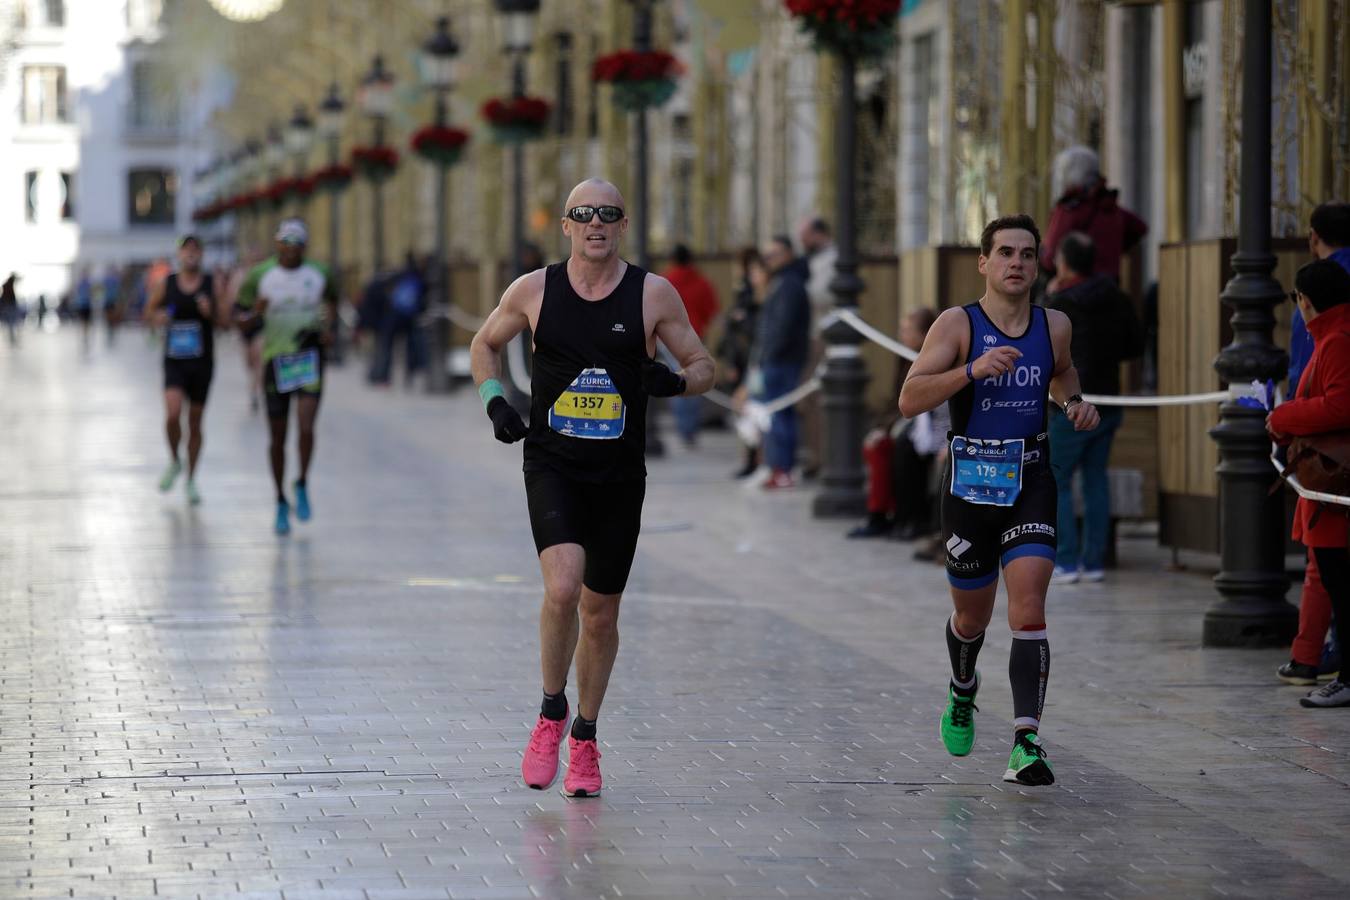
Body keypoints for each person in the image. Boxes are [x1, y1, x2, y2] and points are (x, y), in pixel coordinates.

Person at [469, 178, 714, 798]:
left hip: (619, 476)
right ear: (567, 225)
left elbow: (705, 367)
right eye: (584, 214)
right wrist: (497, 403)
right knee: (563, 587)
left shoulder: (652, 294)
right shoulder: (534, 289)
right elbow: (483, 345)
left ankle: (585, 735)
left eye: (608, 214)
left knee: (601, 615)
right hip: (552, 464)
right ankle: (550, 713)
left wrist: (672, 385)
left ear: (623, 224)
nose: (596, 223)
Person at [900, 214, 1100, 785]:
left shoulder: (1053, 325)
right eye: (1006, 253)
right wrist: (972, 369)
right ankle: (963, 690)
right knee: (971, 616)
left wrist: (1074, 403)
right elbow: (910, 398)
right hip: (970, 484)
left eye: (1028, 255)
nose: (1017, 263)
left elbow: (1063, 374)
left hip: (1031, 477)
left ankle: (1025, 741)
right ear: (984, 263)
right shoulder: (958, 324)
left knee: (1029, 608)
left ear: (1040, 266)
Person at [1267, 258, 1350, 708]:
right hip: (1331, 481)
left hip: (1336, 481)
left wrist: (1282, 417)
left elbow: (1339, 406)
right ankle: (1311, 658)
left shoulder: (1336, 340)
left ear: (1305, 301)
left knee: (1339, 582)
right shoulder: (1334, 335)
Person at [1044, 232, 1144, 583]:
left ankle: (1067, 561)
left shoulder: (1062, 301)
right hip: (1110, 400)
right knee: (1095, 478)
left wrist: (1050, 295)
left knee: (1056, 479)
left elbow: (1047, 348)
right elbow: (1135, 344)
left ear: (1064, 263)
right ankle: (1095, 561)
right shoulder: (1118, 297)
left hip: (1072, 403)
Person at [234, 219, 338, 536]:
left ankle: (302, 482)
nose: (290, 251)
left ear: (304, 248)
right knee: (277, 437)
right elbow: (238, 318)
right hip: (276, 362)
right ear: (277, 245)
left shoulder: (319, 274)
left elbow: (333, 302)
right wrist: (255, 313)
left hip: (308, 360)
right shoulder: (260, 276)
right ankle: (280, 499)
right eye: (285, 244)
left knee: (306, 426)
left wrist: (328, 328)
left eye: (296, 245)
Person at [848, 308, 944, 539]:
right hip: (909, 421)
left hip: (934, 426)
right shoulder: (903, 356)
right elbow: (896, 400)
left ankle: (909, 518)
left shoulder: (936, 356)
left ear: (924, 335)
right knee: (878, 445)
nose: (901, 335)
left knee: (902, 447)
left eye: (907, 330)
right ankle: (881, 514)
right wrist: (884, 427)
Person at [143, 235, 224, 505]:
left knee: (195, 422)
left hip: (202, 362)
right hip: (174, 360)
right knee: (173, 414)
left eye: (195, 250)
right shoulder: (167, 283)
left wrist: (210, 312)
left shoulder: (212, 284)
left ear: (201, 254)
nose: (191, 254)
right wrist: (158, 317)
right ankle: (175, 460)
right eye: (186, 250)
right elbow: (148, 312)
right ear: (179, 254)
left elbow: (225, 320)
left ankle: (191, 478)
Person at [752, 236, 812, 490]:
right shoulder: (784, 282)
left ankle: (783, 470)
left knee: (779, 415)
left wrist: (768, 356)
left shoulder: (789, 284)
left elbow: (782, 328)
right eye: (766, 257)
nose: (769, 261)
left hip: (782, 361)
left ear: (788, 253)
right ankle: (778, 467)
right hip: (778, 359)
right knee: (777, 416)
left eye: (774, 254)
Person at [1040, 146, 1148, 283]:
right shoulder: (1109, 207)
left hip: (1075, 290)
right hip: (1110, 288)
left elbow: (1049, 259)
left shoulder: (1070, 210)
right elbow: (1140, 228)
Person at [661, 244, 719, 446]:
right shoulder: (702, 282)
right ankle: (691, 428)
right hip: (695, 336)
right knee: (694, 378)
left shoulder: (666, 281)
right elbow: (711, 310)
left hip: (668, 340)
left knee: (675, 380)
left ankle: (682, 426)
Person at [718, 247, 765, 478]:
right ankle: (750, 459)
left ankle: (755, 460)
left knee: (750, 409)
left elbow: (743, 329)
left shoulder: (751, 294)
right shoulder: (747, 291)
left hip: (748, 359)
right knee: (745, 410)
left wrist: (732, 362)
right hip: (744, 357)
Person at [797, 216, 837, 479]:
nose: (802, 241)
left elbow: (825, 294)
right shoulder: (812, 259)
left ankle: (825, 459)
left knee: (819, 400)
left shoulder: (833, 259)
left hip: (825, 336)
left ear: (818, 234)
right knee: (807, 401)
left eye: (806, 235)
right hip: (810, 335)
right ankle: (814, 455)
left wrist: (798, 288)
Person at [368, 252, 428, 388]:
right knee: (410, 348)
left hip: (393, 317)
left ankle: (383, 377)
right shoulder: (419, 278)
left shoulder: (399, 276)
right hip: (408, 318)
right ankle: (409, 377)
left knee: (386, 349)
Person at [1, 273, 19, 346]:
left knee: (11, 322)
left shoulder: (7, 285)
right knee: (11, 322)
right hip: (9, 306)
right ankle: (12, 338)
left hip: (9, 306)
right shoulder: (8, 285)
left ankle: (12, 338)